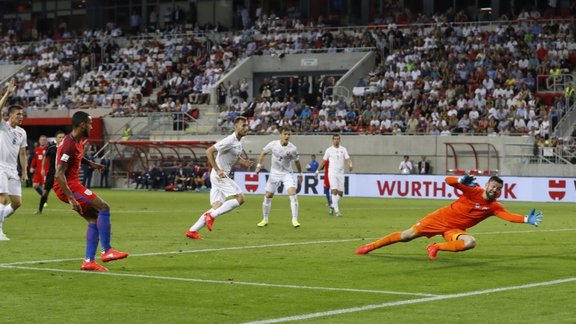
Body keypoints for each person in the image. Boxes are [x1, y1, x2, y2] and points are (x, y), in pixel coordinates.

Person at [355, 175, 544, 260]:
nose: (495, 190)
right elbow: (447, 181)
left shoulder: (493, 206)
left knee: (470, 242)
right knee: (406, 236)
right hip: (439, 219)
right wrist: (460, 180)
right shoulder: (473, 191)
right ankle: (370, 247)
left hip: (454, 231)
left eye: (498, 189)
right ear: (487, 185)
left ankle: (435, 247)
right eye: (493, 186)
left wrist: (526, 219)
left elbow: (509, 217)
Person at [54, 111, 128, 271]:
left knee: (94, 219)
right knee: (104, 207)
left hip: (70, 184)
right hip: (68, 185)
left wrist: (91, 164)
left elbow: (77, 156)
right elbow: (59, 174)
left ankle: (88, 261)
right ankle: (107, 251)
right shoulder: (68, 144)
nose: (92, 126)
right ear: (82, 124)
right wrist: (71, 199)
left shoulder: (76, 141)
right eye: (90, 123)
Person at [186, 116, 252, 240]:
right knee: (240, 198)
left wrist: (244, 162)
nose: (246, 128)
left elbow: (235, 155)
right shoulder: (229, 140)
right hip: (219, 175)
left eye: (247, 125)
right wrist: (217, 169)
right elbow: (209, 151)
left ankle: (192, 230)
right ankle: (211, 216)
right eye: (243, 125)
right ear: (236, 127)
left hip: (219, 176)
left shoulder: (239, 141)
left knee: (217, 205)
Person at [254, 126, 304, 228]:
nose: (287, 136)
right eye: (285, 134)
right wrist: (259, 165)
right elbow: (263, 153)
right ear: (280, 135)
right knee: (268, 196)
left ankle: (295, 220)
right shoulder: (273, 144)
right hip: (274, 173)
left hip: (287, 174)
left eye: (289, 134)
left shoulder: (293, 148)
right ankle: (265, 219)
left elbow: (297, 162)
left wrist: (300, 174)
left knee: (292, 193)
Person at [0, 79, 28, 241]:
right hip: (0, 167)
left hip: (13, 169)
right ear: (10, 115)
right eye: (18, 114)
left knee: (17, 203)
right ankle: (0, 229)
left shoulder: (22, 133)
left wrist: (24, 171)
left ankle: (0, 218)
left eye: (22, 115)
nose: (21, 117)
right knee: (2, 197)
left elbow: (22, 153)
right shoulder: (3, 126)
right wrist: (7, 94)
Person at [315, 134, 352, 217]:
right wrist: (317, 171)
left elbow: (348, 159)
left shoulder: (343, 149)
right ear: (332, 140)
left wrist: (350, 165)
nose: (336, 140)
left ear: (340, 140)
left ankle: (332, 206)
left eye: (338, 139)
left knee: (341, 193)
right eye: (335, 139)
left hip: (341, 173)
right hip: (332, 173)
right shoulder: (329, 150)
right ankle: (337, 211)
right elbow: (323, 161)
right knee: (334, 191)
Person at [34, 130, 65, 215]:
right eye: (60, 137)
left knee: (68, 191)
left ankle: (79, 207)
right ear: (56, 138)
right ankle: (39, 210)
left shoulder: (66, 148)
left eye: (63, 137)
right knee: (45, 192)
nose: (62, 139)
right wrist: (42, 169)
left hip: (62, 174)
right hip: (51, 174)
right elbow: (45, 157)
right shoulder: (51, 147)